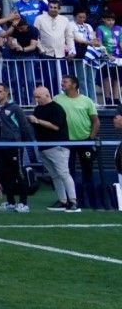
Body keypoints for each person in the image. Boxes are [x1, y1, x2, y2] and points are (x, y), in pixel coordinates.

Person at [0, 81, 35, 213]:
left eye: (0, 91)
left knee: (18, 173)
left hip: (13, 145)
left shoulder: (15, 108)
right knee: (4, 174)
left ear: (6, 92)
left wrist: (29, 143)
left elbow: (24, 126)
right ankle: (10, 202)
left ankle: (23, 202)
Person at [29, 86, 78, 211]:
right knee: (55, 175)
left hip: (58, 146)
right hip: (44, 146)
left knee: (63, 173)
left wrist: (38, 121)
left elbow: (56, 126)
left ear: (47, 95)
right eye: (35, 97)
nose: (36, 99)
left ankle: (73, 201)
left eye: (38, 96)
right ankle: (62, 200)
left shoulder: (56, 108)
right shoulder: (38, 109)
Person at [56, 76, 100, 209]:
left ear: (74, 85)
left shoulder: (86, 100)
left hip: (85, 141)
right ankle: (68, 200)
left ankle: (88, 199)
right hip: (66, 142)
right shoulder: (57, 99)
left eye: (65, 82)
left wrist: (91, 138)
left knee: (87, 169)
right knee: (67, 171)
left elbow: (96, 121)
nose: (62, 83)